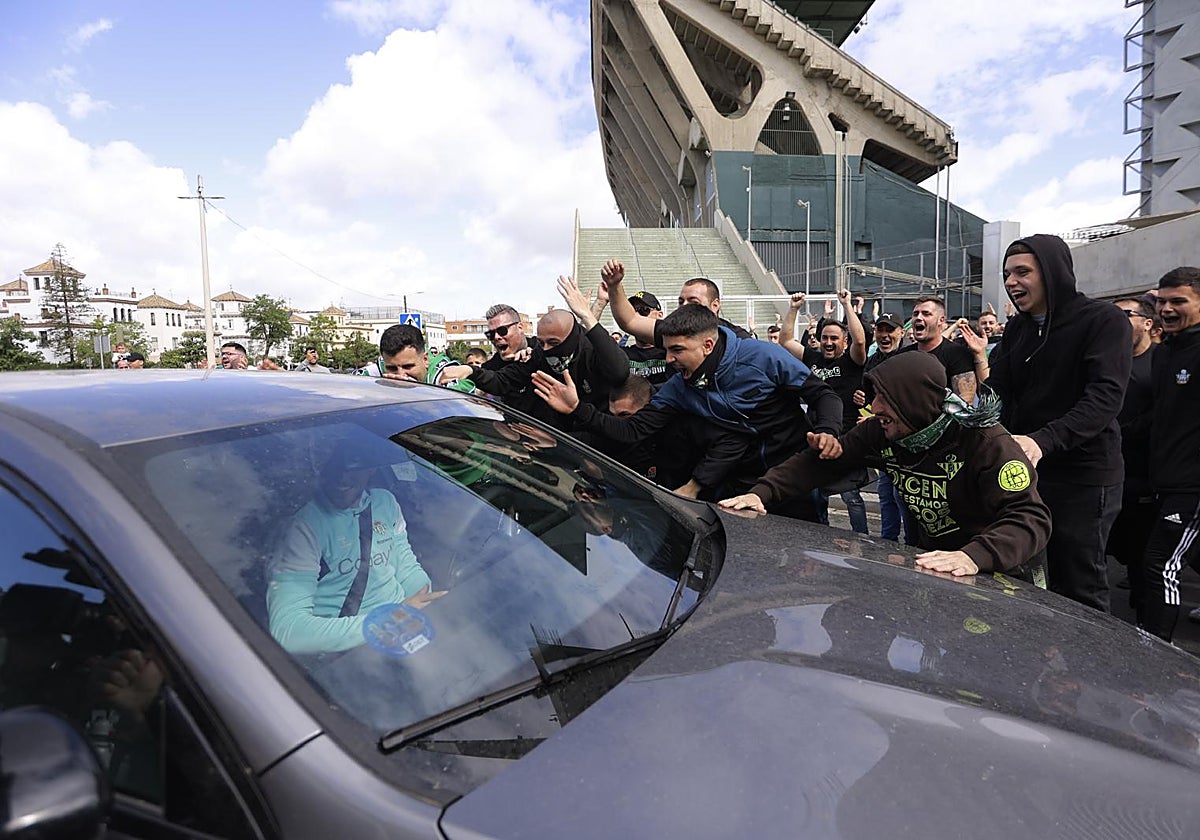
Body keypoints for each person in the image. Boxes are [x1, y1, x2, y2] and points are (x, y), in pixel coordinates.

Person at [720, 352, 1052, 582]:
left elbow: (1030, 519)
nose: (875, 408)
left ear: (914, 403)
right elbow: (821, 462)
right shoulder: (881, 431)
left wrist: (974, 556)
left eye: (885, 399)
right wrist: (761, 494)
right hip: (937, 567)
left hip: (999, 572)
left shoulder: (986, 442)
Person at [531, 303, 841, 514]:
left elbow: (824, 395)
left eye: (677, 350)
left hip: (794, 477)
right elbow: (633, 429)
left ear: (707, 345)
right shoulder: (679, 386)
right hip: (738, 484)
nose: (668, 360)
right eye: (666, 350)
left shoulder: (764, 357)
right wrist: (577, 410)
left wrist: (827, 429)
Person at [983, 234, 1130, 611]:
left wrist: (1042, 441)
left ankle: (1090, 662)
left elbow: (1104, 399)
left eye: (1022, 272)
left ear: (1053, 272)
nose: (1011, 281)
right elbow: (997, 391)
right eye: (1007, 274)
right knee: (1025, 571)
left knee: (1077, 581)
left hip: (1083, 475)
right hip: (1025, 469)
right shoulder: (1017, 329)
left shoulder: (1103, 321)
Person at [267, 448, 445, 654]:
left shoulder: (384, 502)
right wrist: (389, 621)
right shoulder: (305, 526)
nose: (341, 476)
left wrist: (431, 606)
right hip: (350, 651)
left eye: (354, 463)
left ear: (371, 469)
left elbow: (405, 566)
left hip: (402, 631)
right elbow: (289, 631)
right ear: (319, 468)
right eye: (331, 464)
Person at [457, 278, 631, 430]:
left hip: (592, 441)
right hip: (542, 441)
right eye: (490, 334)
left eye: (502, 330)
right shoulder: (535, 356)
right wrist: (471, 371)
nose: (496, 337)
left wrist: (589, 312)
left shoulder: (585, 353)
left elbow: (616, 369)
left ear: (520, 327)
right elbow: (501, 381)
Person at [1138, 267, 1200, 641]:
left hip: (1191, 485)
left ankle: (1155, 647)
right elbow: (1158, 415)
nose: (1167, 309)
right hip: (1165, 478)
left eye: (1179, 301)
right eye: (1161, 302)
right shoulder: (1165, 354)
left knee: (1162, 563)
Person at [779, 290, 869, 534]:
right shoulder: (813, 358)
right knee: (816, 494)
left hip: (846, 437)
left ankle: (863, 539)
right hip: (816, 436)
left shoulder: (852, 361)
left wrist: (847, 305)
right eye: (825, 338)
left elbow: (860, 342)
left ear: (844, 342)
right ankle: (821, 535)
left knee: (851, 496)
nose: (829, 343)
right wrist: (794, 308)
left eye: (835, 339)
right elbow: (785, 341)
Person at [1106, 296, 1159, 614]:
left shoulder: (1161, 362)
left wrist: (1120, 431)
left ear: (1147, 323)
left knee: (1144, 559)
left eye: (1125, 315)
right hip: (1110, 471)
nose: (1117, 321)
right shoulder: (1109, 359)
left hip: (1146, 476)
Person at [855, 311, 913, 544]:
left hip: (907, 439)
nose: (885, 335)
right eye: (880, 329)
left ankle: (912, 543)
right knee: (886, 493)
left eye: (890, 330)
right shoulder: (873, 360)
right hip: (884, 438)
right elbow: (868, 396)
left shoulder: (910, 357)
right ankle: (888, 541)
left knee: (902, 496)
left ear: (902, 332)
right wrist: (861, 399)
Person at [601, 260, 753, 347]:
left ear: (715, 305)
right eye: (681, 301)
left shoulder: (738, 339)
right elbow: (630, 321)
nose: (684, 306)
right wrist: (615, 285)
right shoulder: (671, 329)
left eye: (693, 301)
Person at [897, 296, 977, 402]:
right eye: (915, 314)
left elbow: (965, 403)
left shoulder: (957, 354)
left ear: (941, 320)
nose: (918, 317)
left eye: (926, 313)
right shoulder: (903, 355)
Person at [359, 324, 477, 393]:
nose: (401, 376)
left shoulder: (442, 372)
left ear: (425, 360)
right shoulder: (376, 370)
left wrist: (420, 391)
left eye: (408, 366)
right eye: (392, 368)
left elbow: (465, 391)